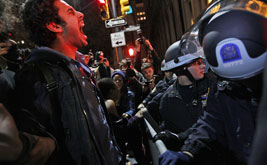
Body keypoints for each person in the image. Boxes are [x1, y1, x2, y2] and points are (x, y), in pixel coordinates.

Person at [160, 0, 266, 164]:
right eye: (195, 63)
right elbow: (210, 124)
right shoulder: (225, 89)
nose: (202, 65)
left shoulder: (216, 84)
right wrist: (189, 152)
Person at [16, 0, 121, 164]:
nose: (81, 14)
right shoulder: (35, 78)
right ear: (54, 25)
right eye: (71, 12)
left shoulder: (81, 70)